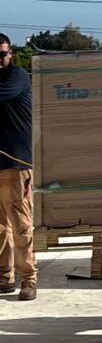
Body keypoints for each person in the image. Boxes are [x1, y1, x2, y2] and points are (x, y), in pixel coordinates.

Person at [0, 34, 37, 300]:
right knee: (0, 226)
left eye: (1, 55)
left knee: (21, 223)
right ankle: (5, 276)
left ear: (10, 53)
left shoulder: (18, 77)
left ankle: (29, 278)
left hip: (16, 161)